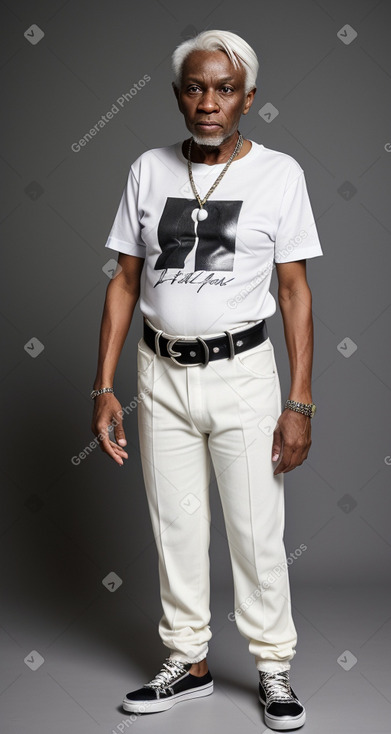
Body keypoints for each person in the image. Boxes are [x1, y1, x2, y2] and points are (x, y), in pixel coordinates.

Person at [91, 29, 323, 731]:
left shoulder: (279, 174)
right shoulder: (148, 169)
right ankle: (186, 662)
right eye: (195, 87)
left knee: (256, 531)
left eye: (224, 89)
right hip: (158, 371)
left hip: (243, 372)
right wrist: (102, 387)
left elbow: (294, 294)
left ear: (248, 98)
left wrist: (299, 401)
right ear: (177, 95)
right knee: (176, 526)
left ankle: (272, 669)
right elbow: (124, 283)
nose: (208, 102)